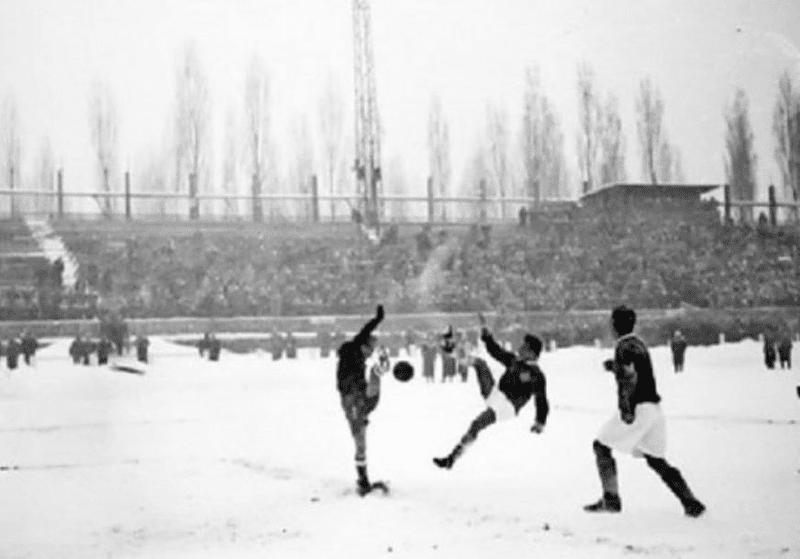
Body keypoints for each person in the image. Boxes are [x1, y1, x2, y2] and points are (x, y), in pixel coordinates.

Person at [584, 305, 705, 517]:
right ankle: (690, 502)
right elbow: (635, 369)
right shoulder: (638, 344)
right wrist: (615, 366)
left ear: (613, 325)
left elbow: (629, 379)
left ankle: (611, 499)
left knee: (601, 446)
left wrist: (626, 410)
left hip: (638, 407)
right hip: (654, 409)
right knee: (655, 459)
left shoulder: (623, 346)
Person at [433, 313, 549, 470]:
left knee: (476, 424)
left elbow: (541, 399)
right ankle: (451, 350)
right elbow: (496, 351)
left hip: (508, 407)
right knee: (480, 363)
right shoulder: (514, 361)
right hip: (496, 395)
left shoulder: (536, 374)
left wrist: (540, 421)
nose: (520, 348)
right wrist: (486, 335)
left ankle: (451, 458)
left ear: (532, 353)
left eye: (524, 347)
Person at [336, 304, 388, 496]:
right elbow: (364, 332)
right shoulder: (352, 350)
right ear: (364, 345)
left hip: (359, 398)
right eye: (370, 348)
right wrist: (378, 319)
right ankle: (362, 480)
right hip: (352, 400)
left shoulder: (358, 355)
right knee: (360, 442)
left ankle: (363, 478)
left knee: (374, 375)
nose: (370, 353)